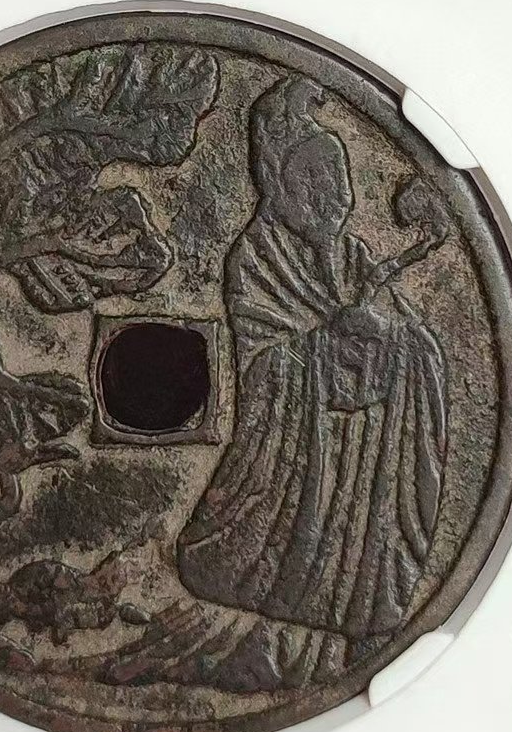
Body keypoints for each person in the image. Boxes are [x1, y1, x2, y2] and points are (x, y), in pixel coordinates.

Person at [176, 75, 448, 641]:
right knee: (217, 566)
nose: (335, 194)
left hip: (363, 451)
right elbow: (263, 365)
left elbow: (412, 337)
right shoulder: (256, 258)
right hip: (291, 460)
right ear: (278, 182)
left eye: (338, 176)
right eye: (316, 178)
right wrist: (328, 344)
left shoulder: (353, 253)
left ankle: (360, 586)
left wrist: (386, 336)